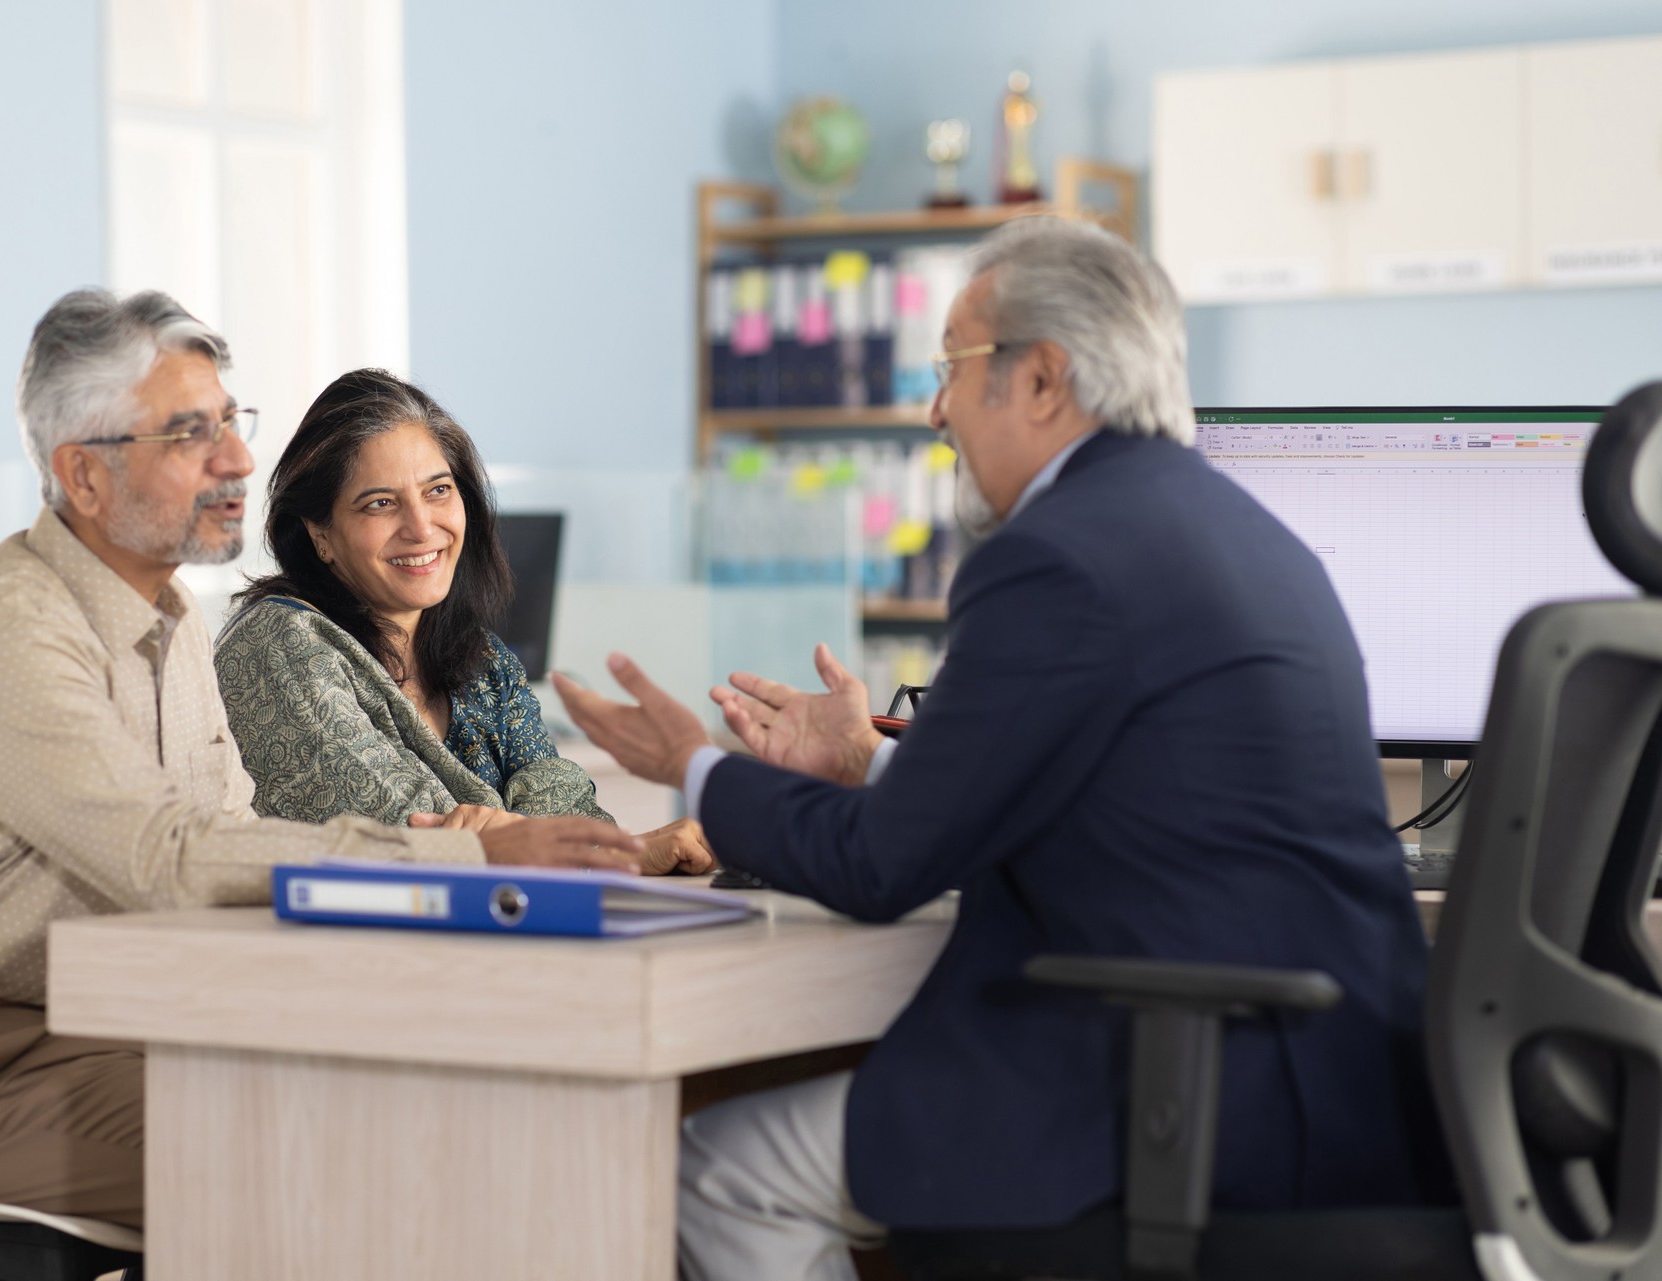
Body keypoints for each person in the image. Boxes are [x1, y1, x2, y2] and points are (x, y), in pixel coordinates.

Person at [553, 217, 1446, 1280]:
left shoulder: (1058, 556)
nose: (935, 411)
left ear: (1042, 378)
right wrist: (868, 762)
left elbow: (881, 867)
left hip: (1180, 1102)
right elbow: (1094, 793)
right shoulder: (1241, 531)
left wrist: (694, 765)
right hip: (1341, 1094)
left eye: (951, 368)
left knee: (723, 1170)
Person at [0, 289, 642, 1230]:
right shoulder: (18, 633)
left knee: (451, 1110)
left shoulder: (174, 621)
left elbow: (234, 836)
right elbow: (169, 860)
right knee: (363, 1157)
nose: (238, 460)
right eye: (190, 434)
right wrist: (467, 853)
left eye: (229, 421)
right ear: (83, 476)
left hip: (138, 1027)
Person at [213, 368, 714, 874]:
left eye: (437, 491)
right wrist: (602, 851)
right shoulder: (276, 645)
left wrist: (606, 850)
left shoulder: (483, 658)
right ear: (320, 533)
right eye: (381, 504)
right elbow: (406, 843)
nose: (421, 528)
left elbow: (566, 809)